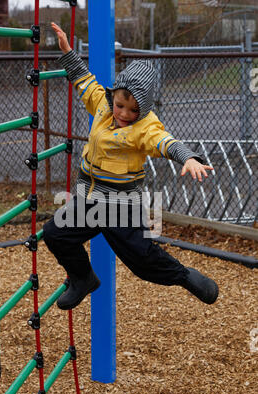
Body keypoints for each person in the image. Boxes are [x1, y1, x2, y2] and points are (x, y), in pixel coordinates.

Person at [43, 22, 219, 311]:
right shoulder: (102, 104)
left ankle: (184, 277)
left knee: (142, 260)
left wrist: (189, 157)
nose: (124, 113)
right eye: (120, 104)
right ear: (114, 95)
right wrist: (67, 51)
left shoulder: (145, 127)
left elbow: (166, 141)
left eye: (133, 109)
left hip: (120, 206)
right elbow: (83, 79)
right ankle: (83, 278)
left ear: (144, 109)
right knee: (55, 234)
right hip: (89, 200)